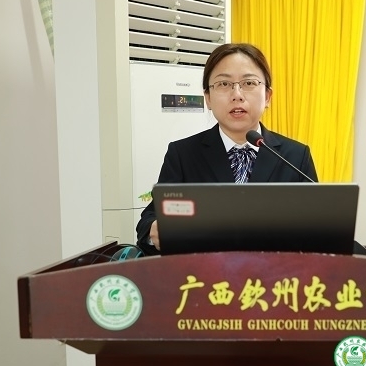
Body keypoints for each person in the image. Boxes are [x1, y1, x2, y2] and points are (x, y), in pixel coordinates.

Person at [136, 43, 318, 255]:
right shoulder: (183, 154)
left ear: (267, 96)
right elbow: (149, 221)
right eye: (224, 84)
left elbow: (318, 226)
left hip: (276, 273)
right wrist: (155, 230)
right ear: (208, 98)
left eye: (249, 83)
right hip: (206, 273)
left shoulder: (295, 156)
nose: (237, 95)